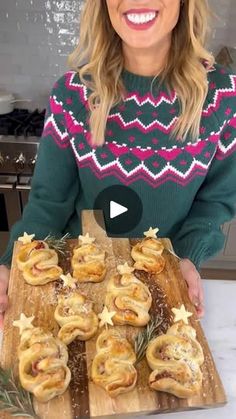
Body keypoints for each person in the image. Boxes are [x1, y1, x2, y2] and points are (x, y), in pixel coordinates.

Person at [0, 0, 236, 327]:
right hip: (76, 295)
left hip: (165, 290)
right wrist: (12, 263)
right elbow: (48, 203)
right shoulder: (72, 94)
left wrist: (186, 259)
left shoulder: (223, 97)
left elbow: (215, 202)